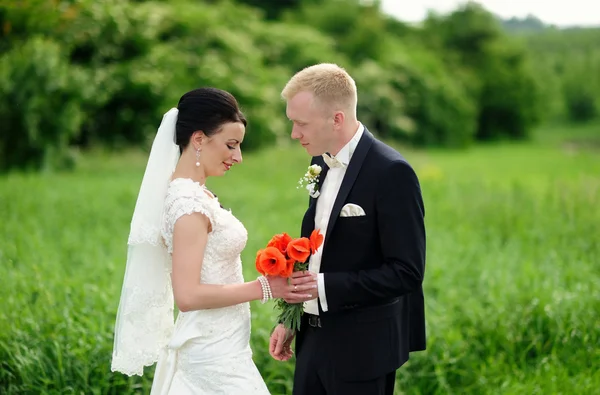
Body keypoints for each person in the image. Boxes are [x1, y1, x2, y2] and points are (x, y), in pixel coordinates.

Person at [110, 87, 317, 394]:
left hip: (226, 345)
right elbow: (188, 295)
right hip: (211, 354)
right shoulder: (188, 205)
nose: (238, 157)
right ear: (198, 139)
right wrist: (265, 287)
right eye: (231, 145)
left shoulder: (197, 194)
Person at [269, 64, 427, 395]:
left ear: (336, 119)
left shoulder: (392, 172)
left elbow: (407, 272)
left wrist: (322, 287)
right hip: (312, 342)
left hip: (363, 350)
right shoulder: (319, 163)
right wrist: (291, 317)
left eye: (301, 124)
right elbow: (316, 250)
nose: (294, 134)